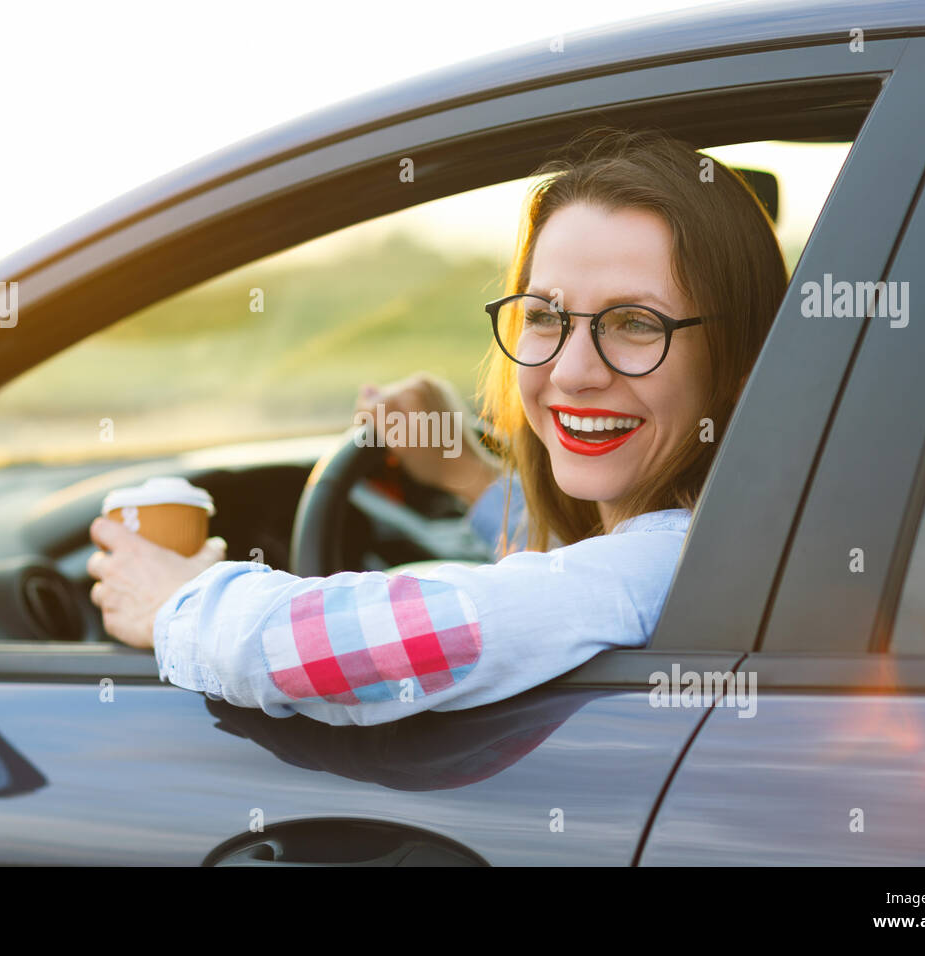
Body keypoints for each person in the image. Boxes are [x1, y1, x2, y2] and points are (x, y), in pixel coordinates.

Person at [86, 127, 788, 726]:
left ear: (741, 363)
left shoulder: (660, 569)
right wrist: (466, 475)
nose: (574, 372)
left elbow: (364, 647)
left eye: (636, 324)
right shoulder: (705, 545)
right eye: (544, 316)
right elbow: (565, 578)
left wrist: (173, 605)